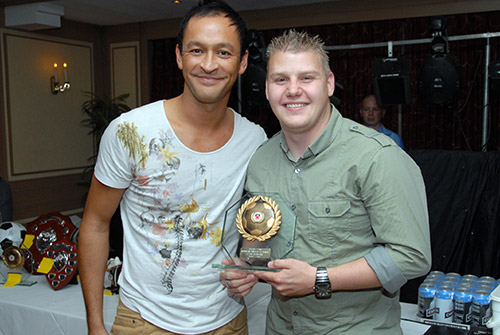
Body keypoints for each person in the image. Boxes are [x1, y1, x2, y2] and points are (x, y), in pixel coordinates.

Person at [222, 30, 431, 334]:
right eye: (281, 80)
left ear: (329, 84)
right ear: (267, 89)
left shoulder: (377, 157)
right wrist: (247, 267)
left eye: (307, 78)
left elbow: (411, 256)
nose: (293, 90)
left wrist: (320, 279)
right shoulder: (261, 159)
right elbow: (260, 235)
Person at [78, 1, 267, 334]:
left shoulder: (254, 140)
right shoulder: (130, 132)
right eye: (197, 50)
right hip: (144, 320)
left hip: (227, 321)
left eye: (224, 53)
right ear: (180, 56)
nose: (209, 65)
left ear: (243, 62)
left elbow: (258, 221)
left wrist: (252, 263)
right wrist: (95, 323)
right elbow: (94, 223)